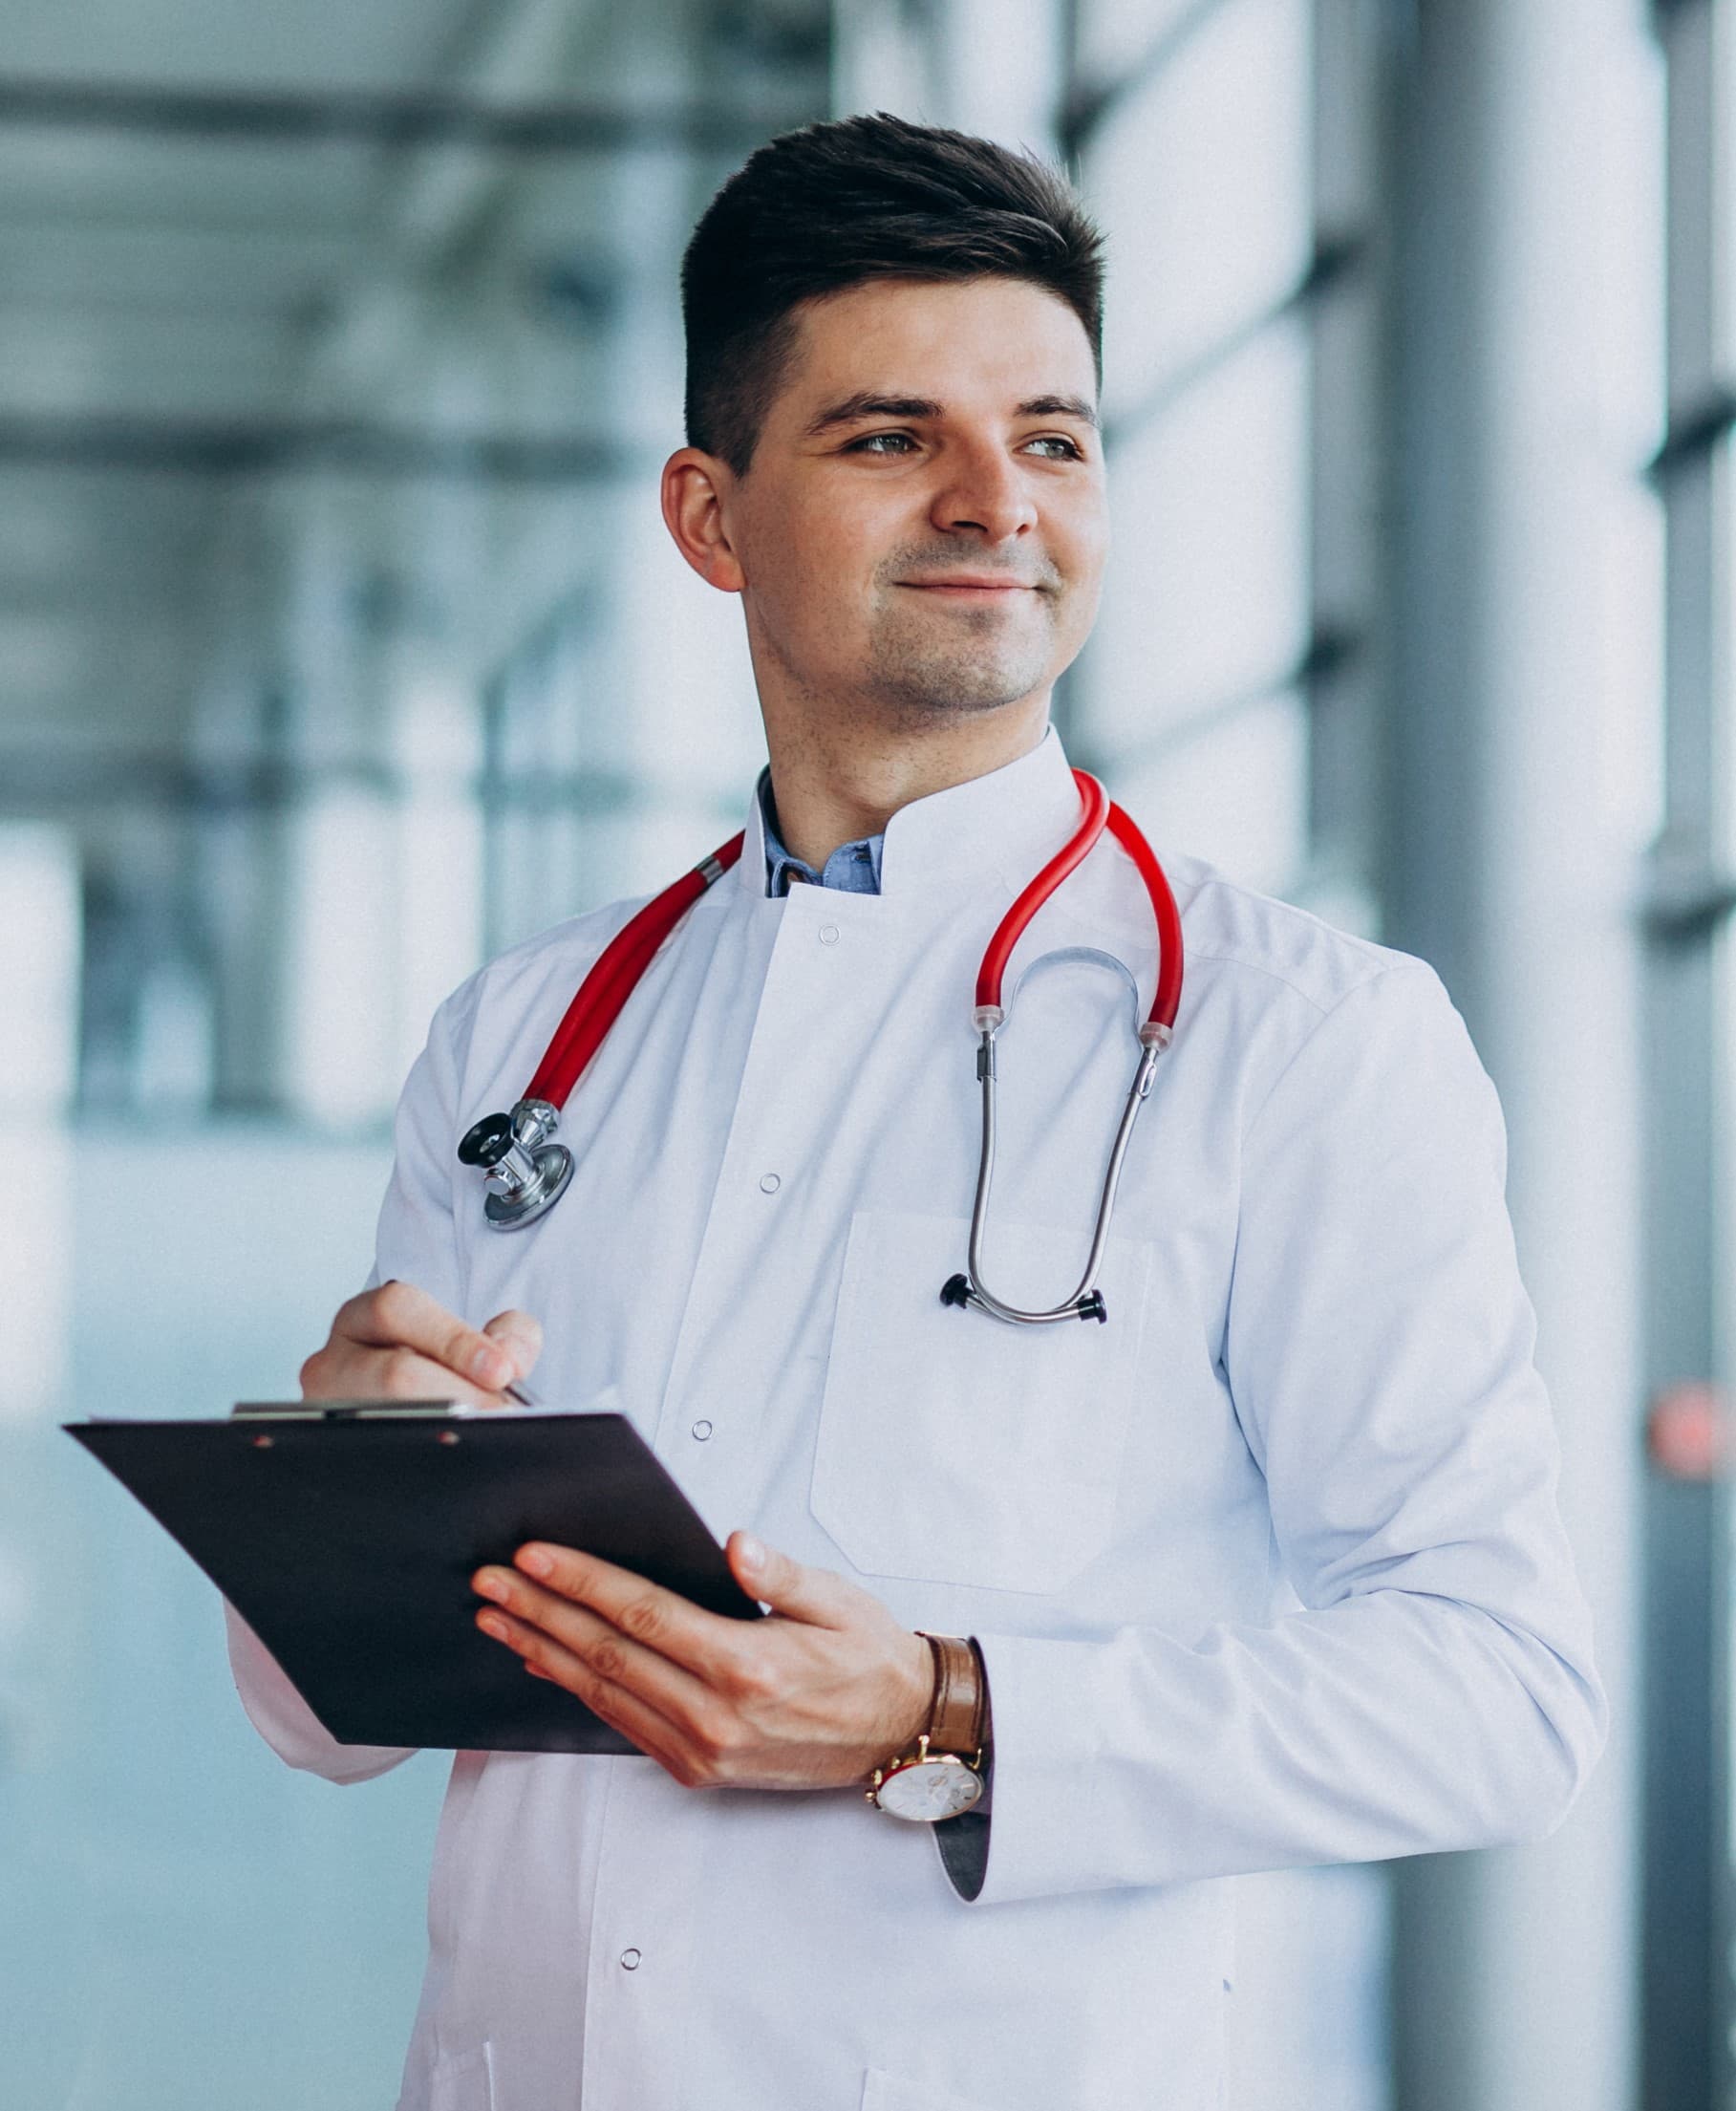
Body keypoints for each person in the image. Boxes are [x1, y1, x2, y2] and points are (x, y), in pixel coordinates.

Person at [226, 113, 1605, 2111]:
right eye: (891, 438)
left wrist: (949, 1710)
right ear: (711, 517)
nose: (996, 501)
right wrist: (341, 1497)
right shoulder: (522, 1037)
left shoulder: (1308, 1040)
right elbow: (320, 1720)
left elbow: (1504, 1692)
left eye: (1052, 435)